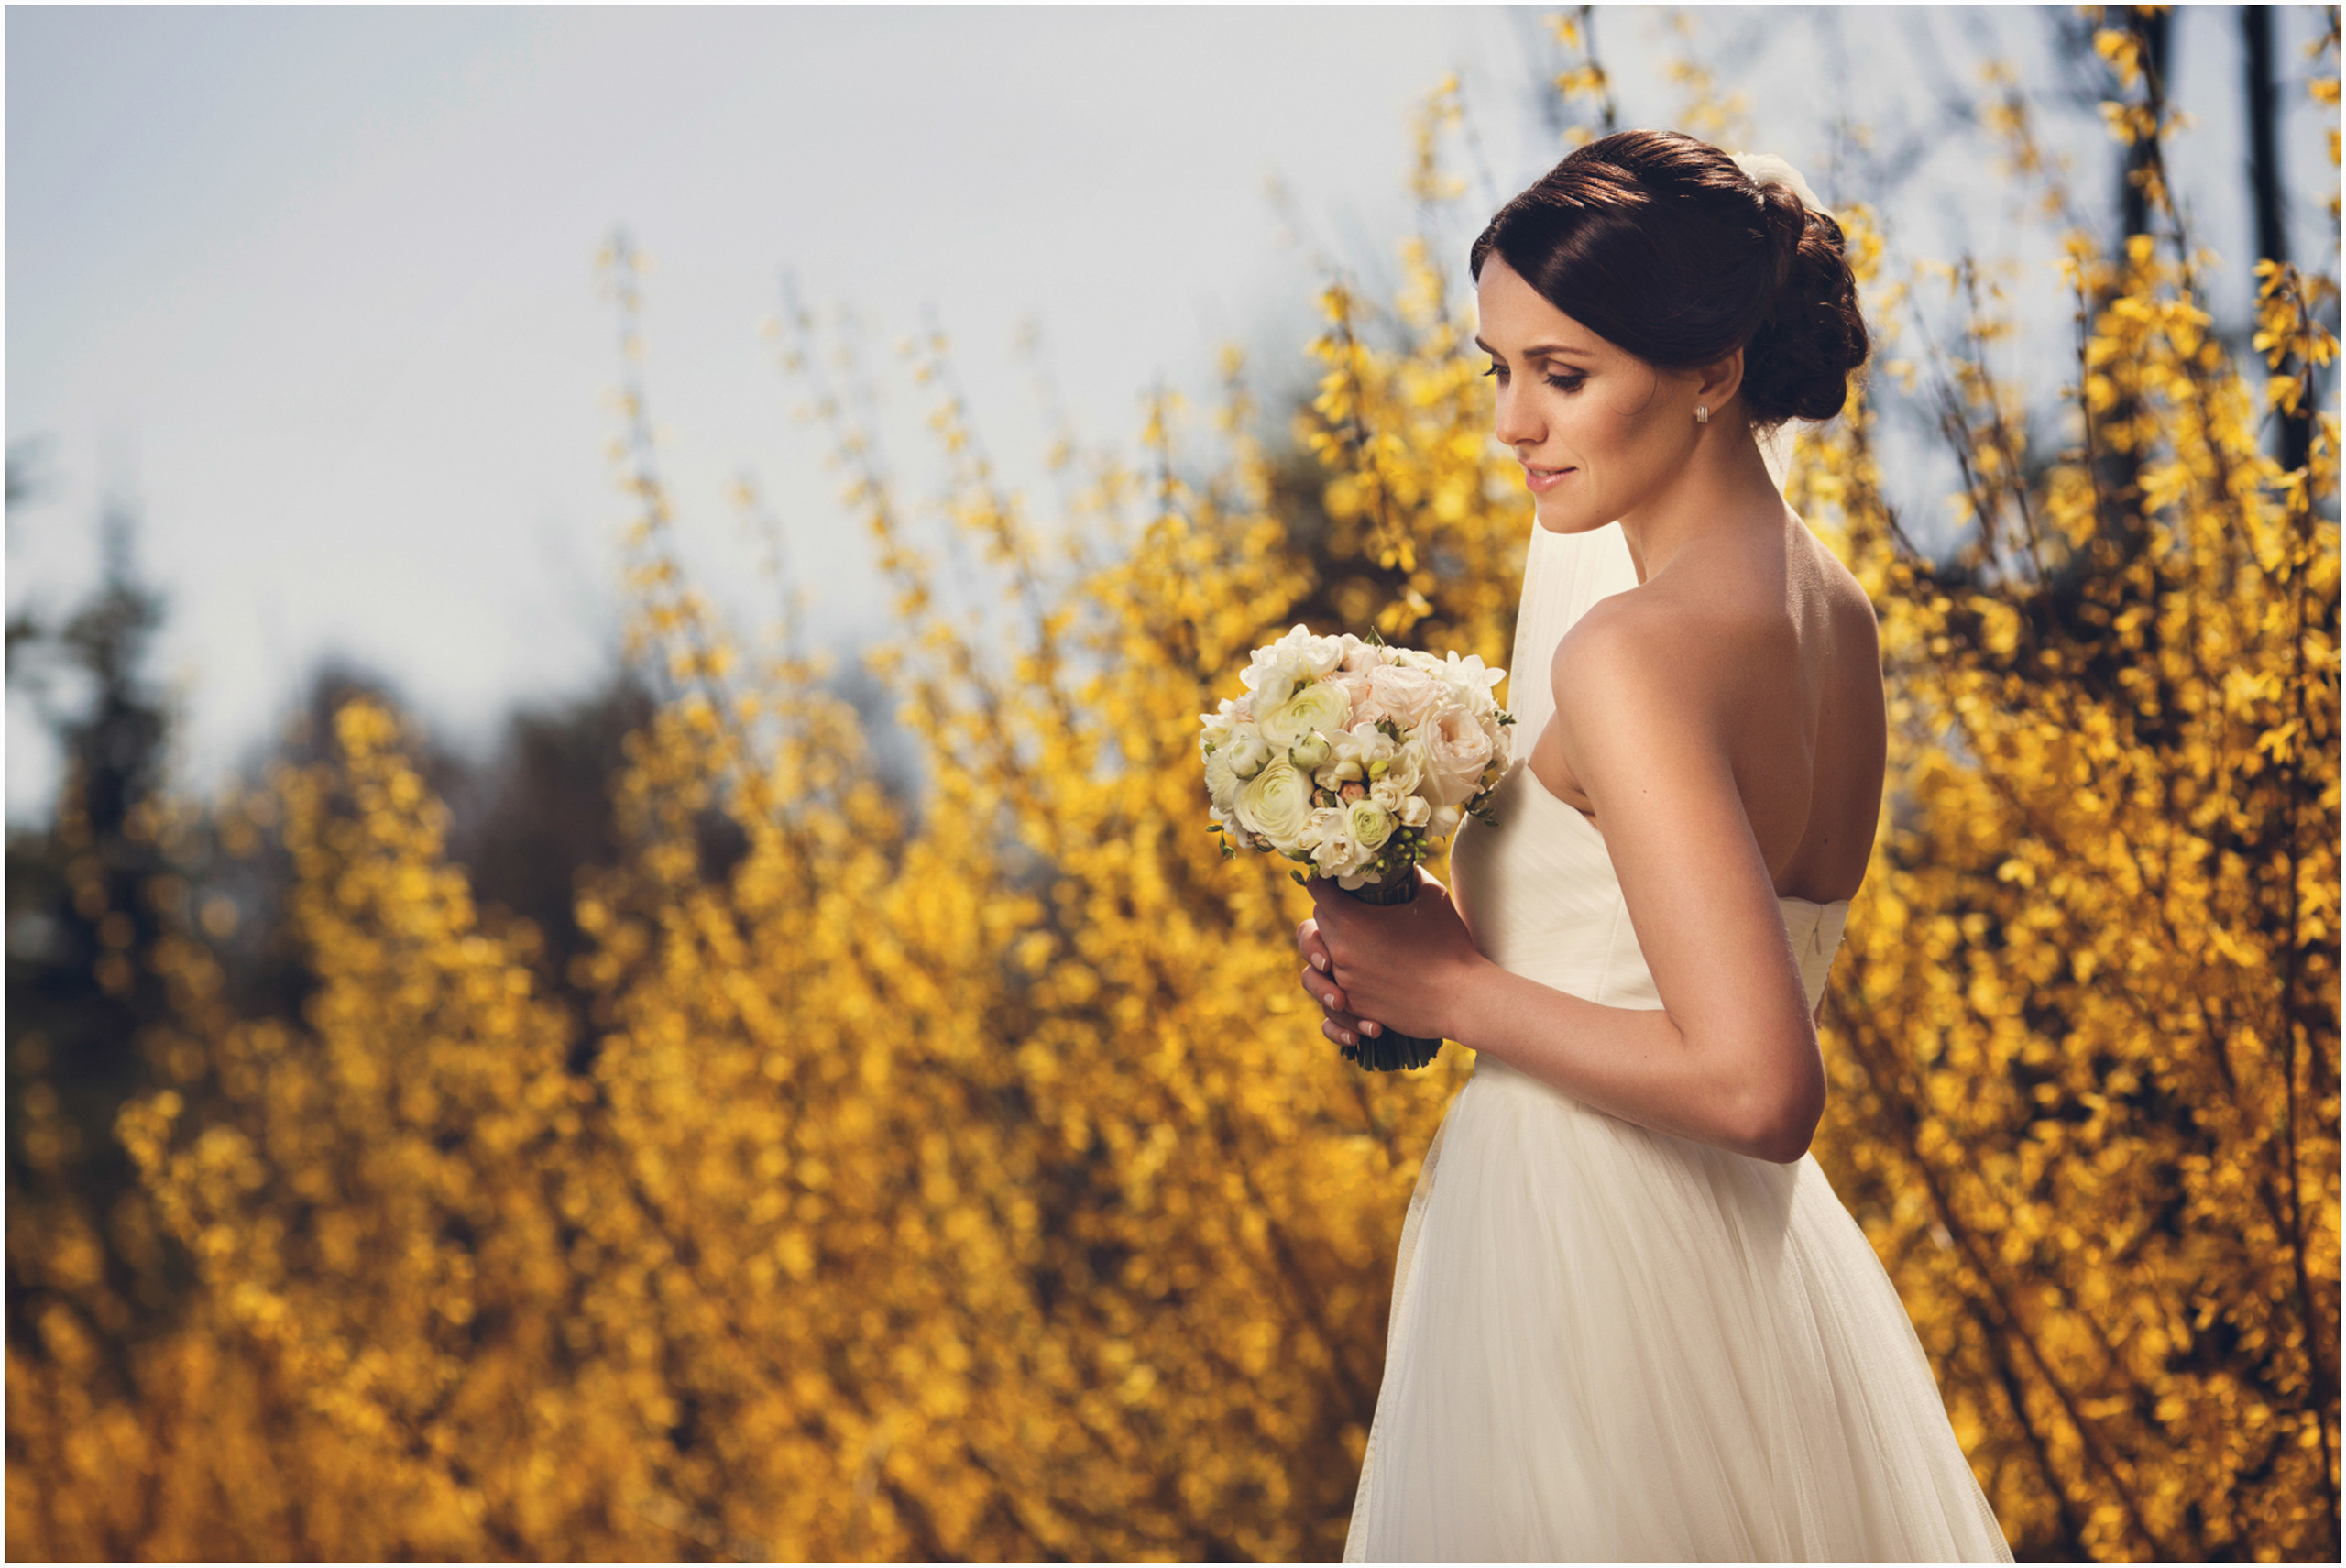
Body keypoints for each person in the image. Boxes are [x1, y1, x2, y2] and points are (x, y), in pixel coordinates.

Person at [1294, 130, 2015, 1562]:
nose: (1514, 424)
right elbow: (1670, 952)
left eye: (1564, 376)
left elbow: (1759, 1083)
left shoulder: (1634, 652)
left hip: (1591, 1267)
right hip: (1742, 1270)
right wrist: (1406, 950)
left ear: (1712, 370)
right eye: (1499, 370)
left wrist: (1450, 989)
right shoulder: (1836, 616)